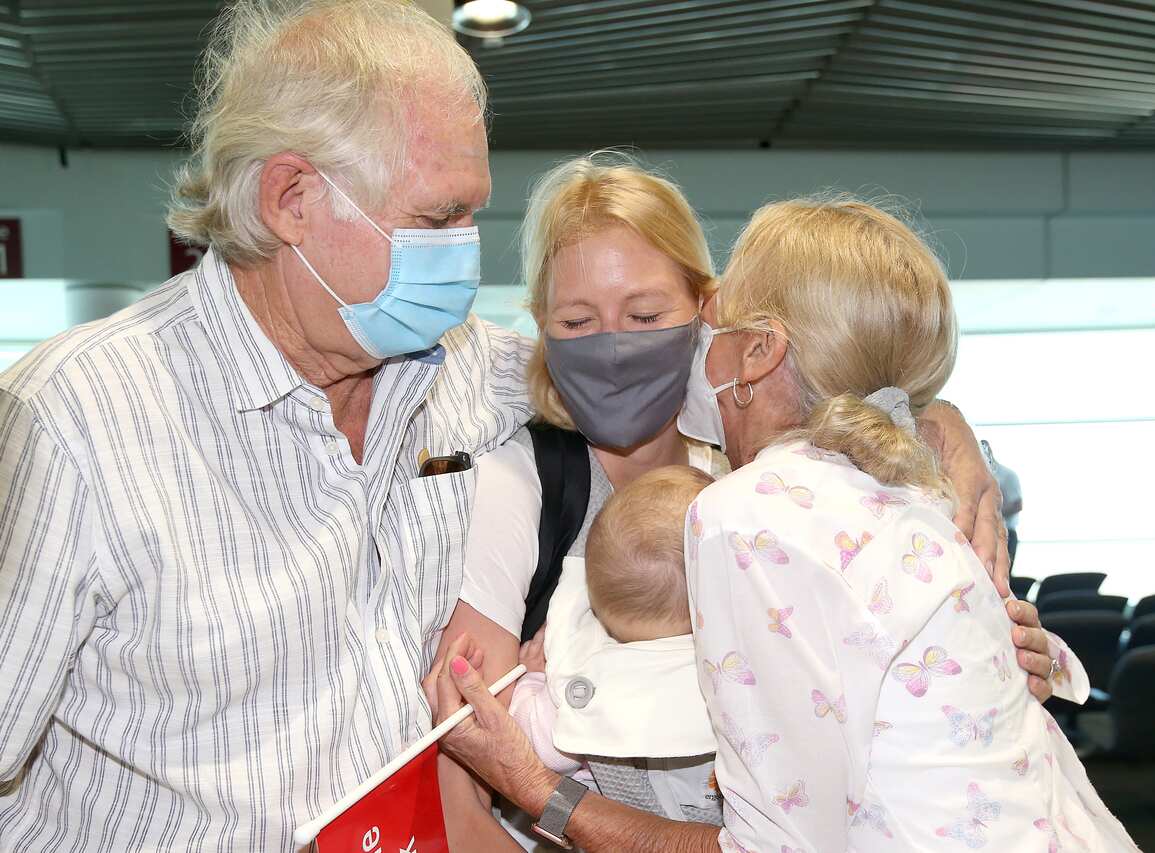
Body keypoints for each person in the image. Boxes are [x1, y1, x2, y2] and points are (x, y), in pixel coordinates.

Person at [429, 161, 1084, 850]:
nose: (614, 346)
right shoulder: (527, 483)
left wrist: (979, 675)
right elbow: (465, 784)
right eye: (575, 319)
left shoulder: (744, 489)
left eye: (646, 315)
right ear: (541, 324)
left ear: (708, 315)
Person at [0, 3, 531, 850]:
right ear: (291, 199)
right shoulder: (78, 422)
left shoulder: (455, 362)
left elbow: (617, 369)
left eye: (473, 215)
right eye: (437, 220)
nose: (466, 251)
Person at [507, 466, 720, 826]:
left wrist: (533, 678)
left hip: (623, 823)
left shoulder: (587, 669)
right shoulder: (742, 657)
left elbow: (540, 747)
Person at [983, 440, 1023, 565]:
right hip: (985, 531)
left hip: (1006, 533)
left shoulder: (1007, 475)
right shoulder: (974, 476)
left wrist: (991, 512)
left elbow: (1017, 505)